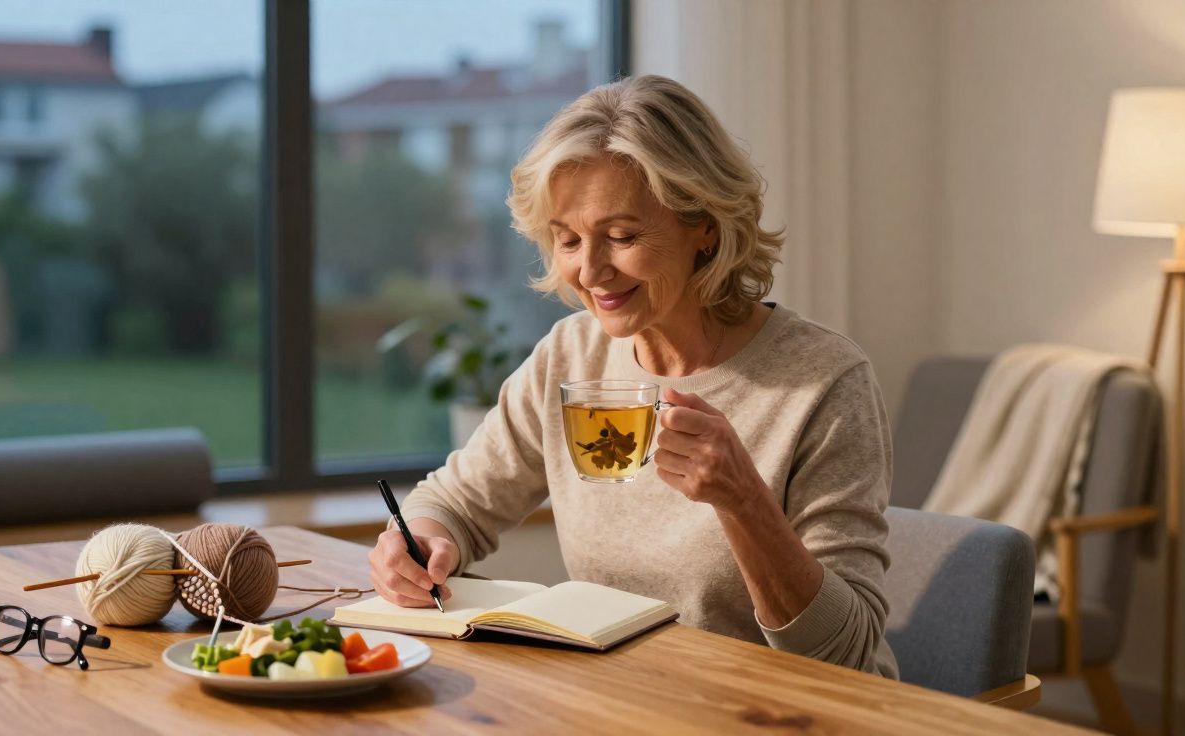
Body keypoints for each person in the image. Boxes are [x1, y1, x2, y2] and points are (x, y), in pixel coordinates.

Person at [368, 74, 897, 678]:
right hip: (629, 700)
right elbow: (455, 501)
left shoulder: (823, 381)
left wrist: (744, 501)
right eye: (568, 240)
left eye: (621, 236)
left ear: (705, 226)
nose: (590, 270)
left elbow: (843, 654)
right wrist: (420, 544)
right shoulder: (571, 356)